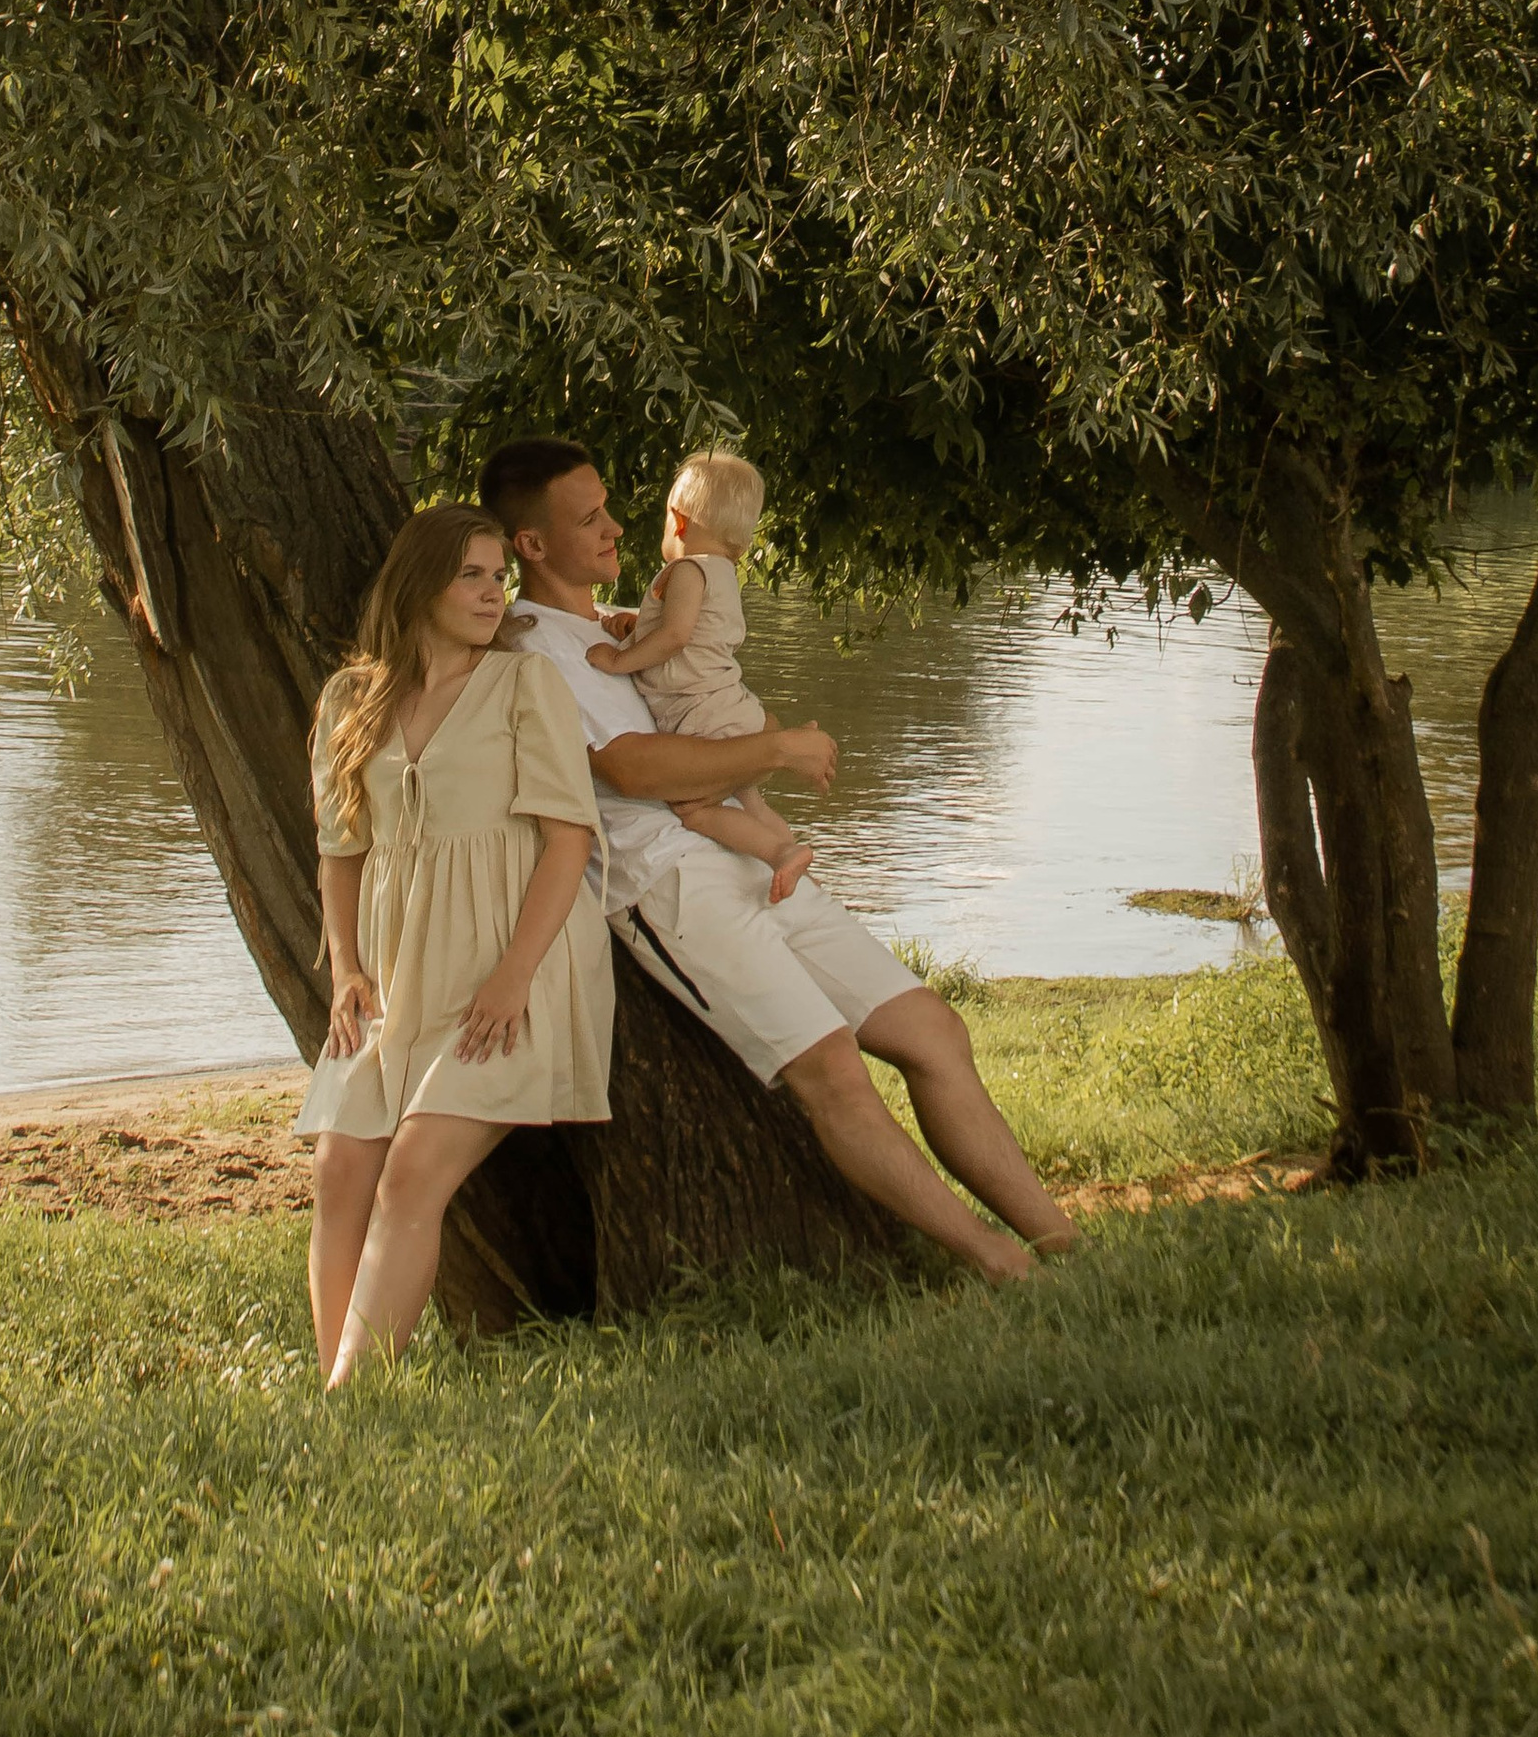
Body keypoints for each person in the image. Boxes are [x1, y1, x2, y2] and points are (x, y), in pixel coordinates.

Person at [481, 438, 1077, 1284]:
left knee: (933, 1032)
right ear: (531, 545)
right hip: (668, 886)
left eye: (611, 506)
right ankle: (993, 1261)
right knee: (830, 1071)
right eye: (589, 518)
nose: (615, 527)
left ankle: (1063, 1244)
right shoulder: (536, 646)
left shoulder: (619, 623)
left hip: (743, 853)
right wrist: (780, 748)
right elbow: (628, 766)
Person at [296, 503, 614, 1384]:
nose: (491, 592)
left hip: (515, 963)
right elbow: (340, 853)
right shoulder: (350, 700)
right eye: (470, 574)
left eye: (496, 575)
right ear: (418, 582)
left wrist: (513, 979)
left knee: (413, 1173)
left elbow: (568, 841)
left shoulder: (525, 686)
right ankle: (333, 1384)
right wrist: (347, 969)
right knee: (339, 1166)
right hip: (395, 975)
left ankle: (352, 1402)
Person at [586, 448, 814, 902]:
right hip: (732, 707)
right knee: (750, 799)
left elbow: (674, 637)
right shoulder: (724, 572)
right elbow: (693, 631)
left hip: (704, 716)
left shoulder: (685, 569)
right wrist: (636, 624)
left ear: (680, 520)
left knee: (695, 808)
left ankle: (778, 854)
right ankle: (790, 850)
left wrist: (618, 660)